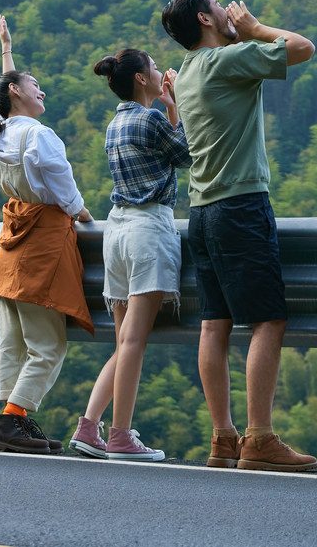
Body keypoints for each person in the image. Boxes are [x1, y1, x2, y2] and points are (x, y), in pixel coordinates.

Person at [159, 0, 317, 472]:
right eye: (219, 9)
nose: (229, 12)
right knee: (268, 319)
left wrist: (239, 35)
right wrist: (253, 28)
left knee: (214, 324)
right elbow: (301, 48)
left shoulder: (186, 74)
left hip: (201, 214)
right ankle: (260, 438)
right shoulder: (227, 61)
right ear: (205, 20)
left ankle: (223, 437)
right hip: (240, 207)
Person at [67, 48, 190, 462]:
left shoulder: (115, 123)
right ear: (141, 79)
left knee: (123, 341)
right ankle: (120, 435)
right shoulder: (151, 118)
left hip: (115, 232)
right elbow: (186, 155)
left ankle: (89, 425)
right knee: (135, 341)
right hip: (146, 230)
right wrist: (176, 106)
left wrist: (167, 107)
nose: (159, 72)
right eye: (154, 68)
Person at [0, 13, 94, 454]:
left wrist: (7, 48)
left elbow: (4, 92)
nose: (41, 91)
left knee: (12, 344)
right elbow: (61, 183)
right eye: (34, 86)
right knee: (48, 345)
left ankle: (8, 419)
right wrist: (81, 211)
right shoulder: (40, 136)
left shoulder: (4, 132)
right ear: (15, 92)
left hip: (12, 246)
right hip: (43, 243)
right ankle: (13, 420)